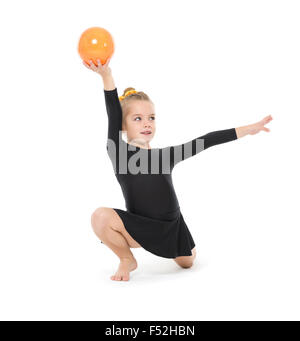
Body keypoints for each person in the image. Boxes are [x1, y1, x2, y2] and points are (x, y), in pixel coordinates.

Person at [83, 58, 273, 281]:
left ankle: (178, 247)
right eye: (138, 118)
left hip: (171, 228)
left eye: (151, 118)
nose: (147, 123)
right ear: (123, 126)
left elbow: (206, 140)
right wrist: (107, 77)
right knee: (100, 216)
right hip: (141, 227)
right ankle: (127, 259)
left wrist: (248, 129)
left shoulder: (165, 155)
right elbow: (113, 112)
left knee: (187, 263)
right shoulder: (117, 152)